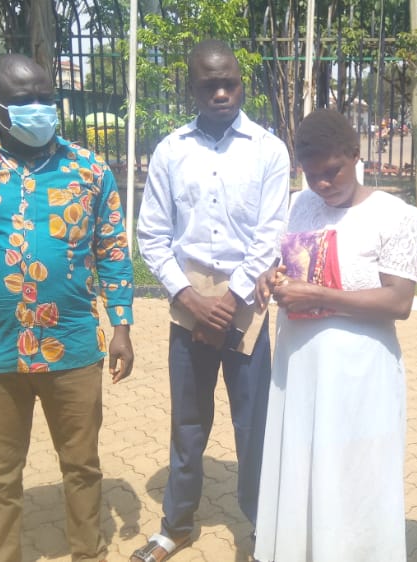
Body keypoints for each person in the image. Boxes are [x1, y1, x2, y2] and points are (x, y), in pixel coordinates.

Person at [0, 53, 134, 562]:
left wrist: (122, 327)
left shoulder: (89, 169)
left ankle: (88, 552)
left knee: (81, 465)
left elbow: (112, 250)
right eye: (24, 100)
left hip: (74, 344)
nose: (39, 107)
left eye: (45, 97)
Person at [133, 39, 289, 562]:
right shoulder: (170, 151)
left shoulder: (268, 149)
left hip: (246, 310)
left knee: (254, 426)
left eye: (230, 83)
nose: (221, 93)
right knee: (188, 422)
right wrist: (190, 298)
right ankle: (175, 526)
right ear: (191, 89)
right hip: (188, 309)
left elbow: (271, 233)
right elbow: (152, 234)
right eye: (209, 85)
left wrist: (230, 300)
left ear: (242, 84)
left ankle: (263, 530)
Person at [251, 109, 417, 562]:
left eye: (333, 171)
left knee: (355, 473)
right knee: (303, 466)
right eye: (313, 175)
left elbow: (399, 302)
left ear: (355, 154)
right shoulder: (298, 206)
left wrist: (318, 295)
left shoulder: (394, 216)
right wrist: (272, 277)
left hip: (359, 371)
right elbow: (288, 263)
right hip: (299, 364)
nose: (323, 184)